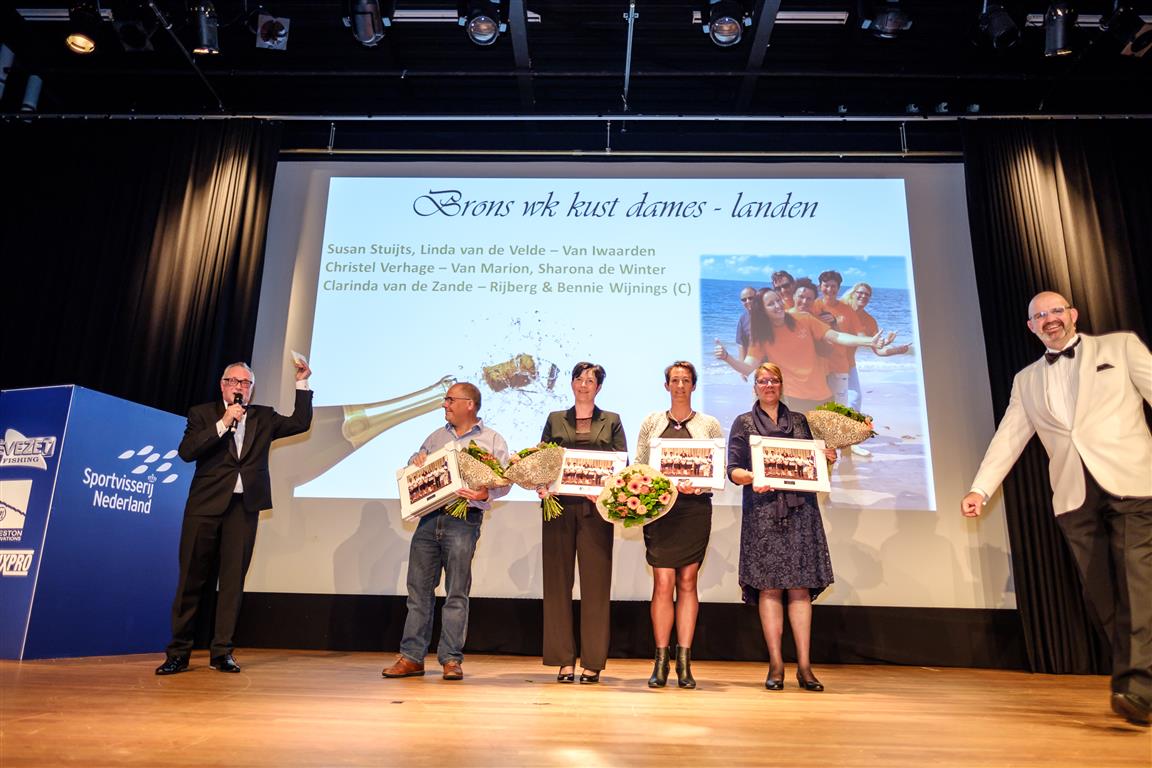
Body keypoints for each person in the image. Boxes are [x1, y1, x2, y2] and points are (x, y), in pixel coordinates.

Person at [962, 291, 1152, 726]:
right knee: (1102, 594)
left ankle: (1137, 687)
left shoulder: (1120, 347)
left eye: (1055, 311)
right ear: (1031, 327)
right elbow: (1009, 437)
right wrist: (980, 489)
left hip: (1133, 483)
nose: (1049, 319)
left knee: (1137, 580)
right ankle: (1139, 679)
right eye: (1039, 315)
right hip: (1073, 496)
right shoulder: (1026, 380)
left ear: (1073, 314)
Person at [155, 359, 313, 675]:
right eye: (234, 381)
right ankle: (178, 654)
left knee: (231, 583)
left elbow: (300, 422)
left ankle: (222, 652)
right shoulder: (202, 414)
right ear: (223, 385)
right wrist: (223, 422)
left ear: (251, 389)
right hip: (204, 507)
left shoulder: (264, 417)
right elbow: (187, 452)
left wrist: (302, 382)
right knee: (191, 581)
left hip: (243, 508)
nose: (239, 387)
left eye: (245, 383)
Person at [382, 382, 509, 682]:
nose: (445, 405)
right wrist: (415, 461)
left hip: (464, 521)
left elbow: (504, 482)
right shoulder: (436, 437)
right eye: (445, 400)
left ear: (470, 404)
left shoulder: (492, 440)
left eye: (450, 400)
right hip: (429, 520)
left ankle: (451, 659)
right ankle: (412, 657)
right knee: (418, 592)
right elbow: (415, 470)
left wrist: (484, 494)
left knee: (456, 592)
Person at [726, 362, 836, 691]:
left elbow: (812, 466)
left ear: (781, 385)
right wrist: (753, 477)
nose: (768, 385)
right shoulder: (743, 422)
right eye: (762, 381)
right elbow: (733, 470)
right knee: (769, 588)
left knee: (800, 588)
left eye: (774, 380)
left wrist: (827, 458)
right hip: (762, 512)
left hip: (801, 512)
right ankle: (776, 665)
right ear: (755, 386)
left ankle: (805, 667)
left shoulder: (800, 421)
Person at [634, 361, 725, 689]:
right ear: (666, 385)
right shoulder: (651, 422)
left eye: (686, 380)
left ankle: (684, 663)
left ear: (694, 385)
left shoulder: (709, 424)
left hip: (694, 510)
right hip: (660, 511)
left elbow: (718, 469)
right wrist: (652, 487)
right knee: (662, 582)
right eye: (675, 380)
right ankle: (660, 662)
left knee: (688, 581)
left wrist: (697, 486)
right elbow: (639, 466)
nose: (680, 385)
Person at [538, 362, 627, 684]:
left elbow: (622, 465)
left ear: (598, 387)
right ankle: (563, 660)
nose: (584, 384)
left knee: (596, 587)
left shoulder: (612, 421)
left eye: (590, 380)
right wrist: (540, 483)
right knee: (557, 584)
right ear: (572, 383)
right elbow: (541, 460)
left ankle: (593, 662)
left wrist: (606, 490)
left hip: (596, 512)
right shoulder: (555, 419)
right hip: (558, 509)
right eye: (579, 378)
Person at [715, 289, 887, 412]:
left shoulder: (803, 319)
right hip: (792, 400)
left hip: (822, 395)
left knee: (825, 448)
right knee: (800, 449)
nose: (778, 305)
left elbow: (836, 336)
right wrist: (727, 357)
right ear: (763, 310)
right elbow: (747, 367)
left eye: (778, 300)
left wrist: (869, 341)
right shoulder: (762, 336)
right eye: (771, 304)